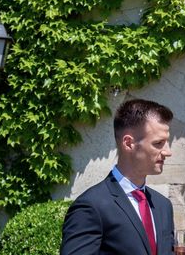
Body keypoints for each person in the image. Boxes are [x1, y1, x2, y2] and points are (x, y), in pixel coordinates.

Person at [61, 98, 175, 255]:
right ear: (128, 143)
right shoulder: (91, 207)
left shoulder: (163, 206)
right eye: (158, 143)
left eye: (166, 142)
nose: (168, 152)